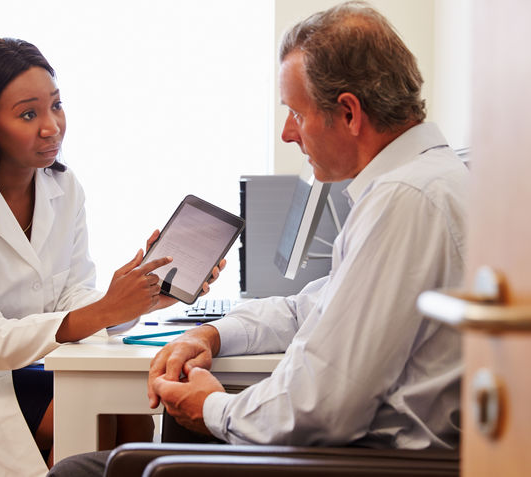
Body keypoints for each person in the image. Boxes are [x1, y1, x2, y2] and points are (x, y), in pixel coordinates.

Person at [47, 1, 467, 475]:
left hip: (364, 461)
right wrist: (211, 333)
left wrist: (212, 409)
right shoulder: (421, 182)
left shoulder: (404, 200)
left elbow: (320, 408)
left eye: (296, 113)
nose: (289, 133)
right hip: (360, 448)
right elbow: (305, 309)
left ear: (348, 112)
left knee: (77, 471)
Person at [0, 38, 221, 477]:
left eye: (56, 105)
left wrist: (138, 299)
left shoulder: (63, 188)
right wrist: (104, 309)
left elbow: (70, 294)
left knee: (127, 412)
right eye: (28, 113)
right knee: (88, 413)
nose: (52, 126)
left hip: (16, 367)